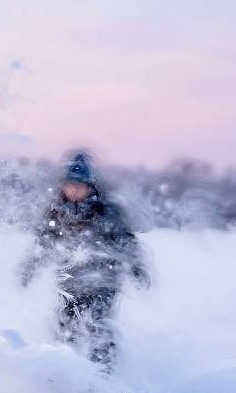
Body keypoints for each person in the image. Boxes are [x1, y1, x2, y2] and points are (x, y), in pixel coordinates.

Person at [20, 152, 151, 372]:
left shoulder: (107, 213)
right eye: (70, 185)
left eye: (80, 185)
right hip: (69, 283)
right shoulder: (55, 214)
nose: (75, 190)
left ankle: (103, 373)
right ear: (63, 187)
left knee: (97, 326)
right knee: (65, 329)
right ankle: (69, 372)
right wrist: (31, 268)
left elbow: (126, 242)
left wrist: (136, 268)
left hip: (103, 282)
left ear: (90, 187)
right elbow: (42, 244)